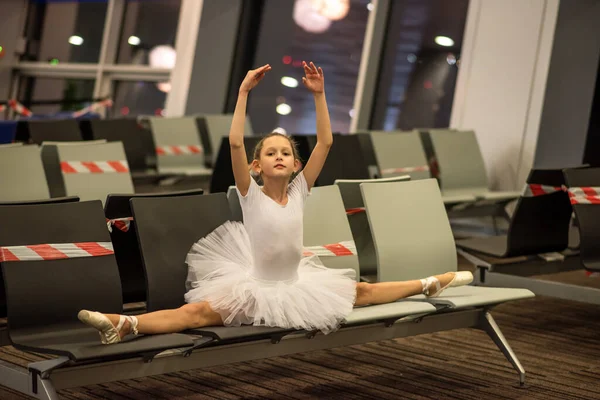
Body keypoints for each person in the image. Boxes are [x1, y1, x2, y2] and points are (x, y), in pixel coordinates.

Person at [78, 61, 472, 344]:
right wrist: (243, 93)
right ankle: (124, 323)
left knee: (363, 291)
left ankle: (430, 282)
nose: (280, 156)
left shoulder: (300, 189)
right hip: (256, 287)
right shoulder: (250, 193)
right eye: (270, 153)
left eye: (286, 152)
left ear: (296, 165)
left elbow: (326, 142)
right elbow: (234, 141)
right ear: (256, 165)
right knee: (194, 314)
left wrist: (319, 96)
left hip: (298, 284)